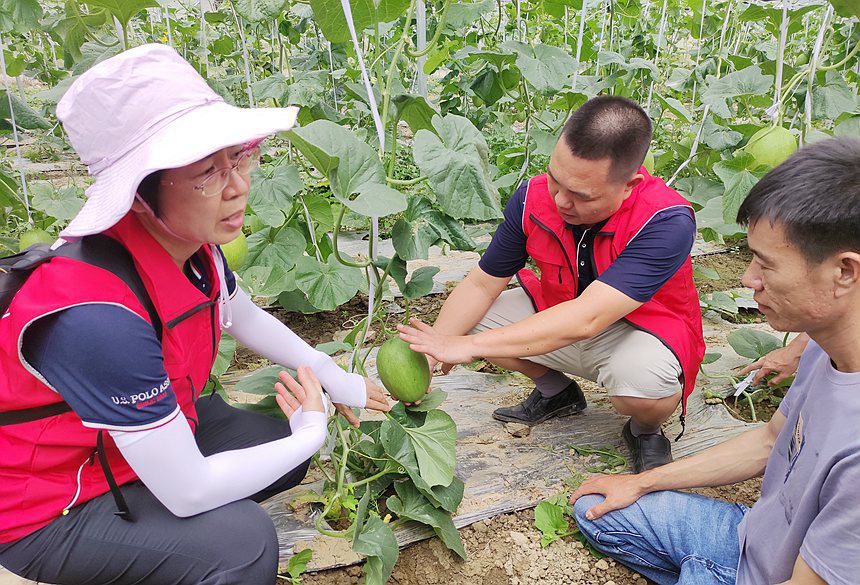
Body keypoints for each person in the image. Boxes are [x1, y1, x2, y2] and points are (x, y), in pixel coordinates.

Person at [0, 44, 389, 584]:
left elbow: (241, 313)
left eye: (239, 157)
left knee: (279, 451)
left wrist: (332, 377)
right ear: (138, 195)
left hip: (124, 452)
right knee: (241, 543)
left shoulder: (188, 245)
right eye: (207, 171)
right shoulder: (96, 315)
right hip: (44, 508)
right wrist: (311, 432)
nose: (238, 185)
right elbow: (188, 492)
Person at [571, 137, 860, 585]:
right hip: (755, 537)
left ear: (844, 271)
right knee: (596, 509)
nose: (749, 280)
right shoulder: (825, 346)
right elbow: (769, 440)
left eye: (765, 265)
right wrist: (643, 482)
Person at [397, 96, 705, 472]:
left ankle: (644, 429)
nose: (560, 200)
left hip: (637, 331)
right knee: (475, 316)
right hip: (561, 313)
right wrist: (436, 351)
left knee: (642, 382)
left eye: (580, 195)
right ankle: (557, 393)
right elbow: (480, 285)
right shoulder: (532, 197)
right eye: (556, 181)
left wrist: (467, 346)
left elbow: (586, 319)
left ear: (630, 184)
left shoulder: (666, 220)